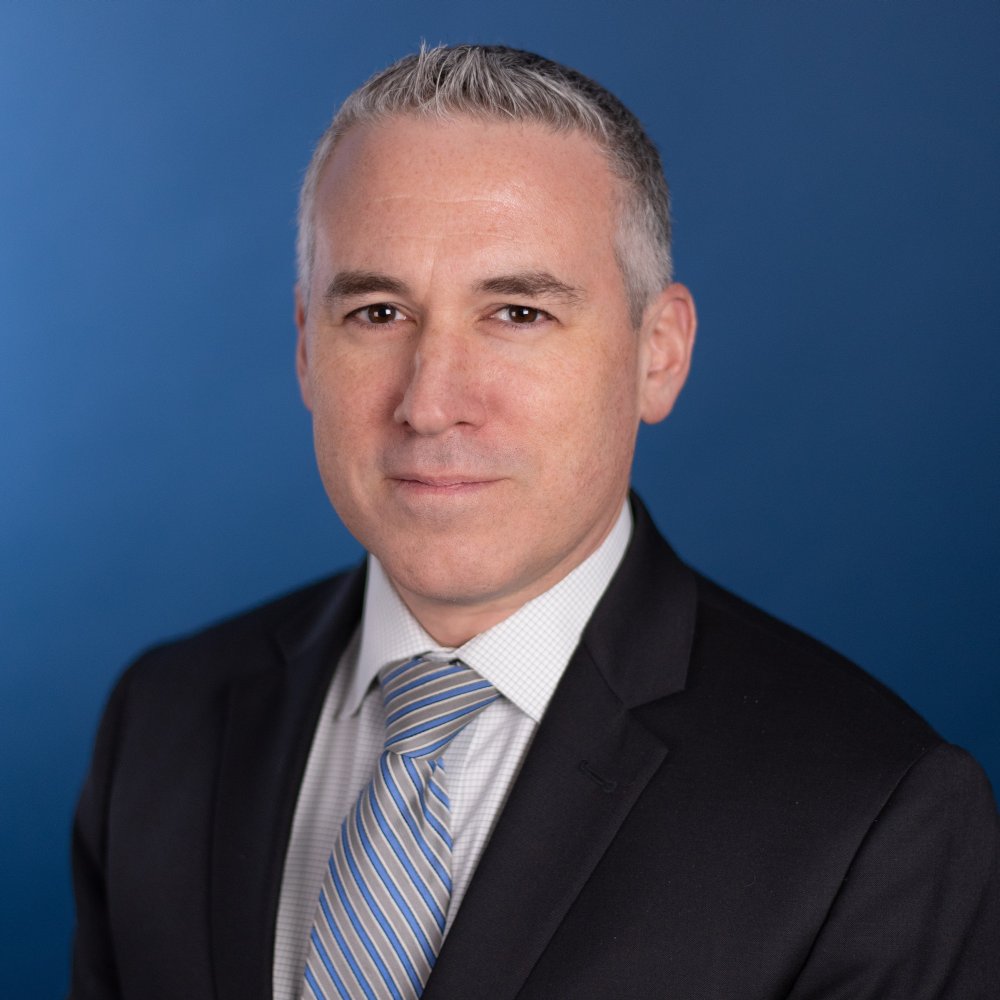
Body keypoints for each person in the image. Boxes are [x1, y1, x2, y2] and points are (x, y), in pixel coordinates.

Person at [70, 45, 999, 1000]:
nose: (431, 403)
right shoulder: (161, 724)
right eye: (379, 312)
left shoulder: (873, 817)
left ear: (659, 354)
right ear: (307, 348)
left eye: (518, 313)